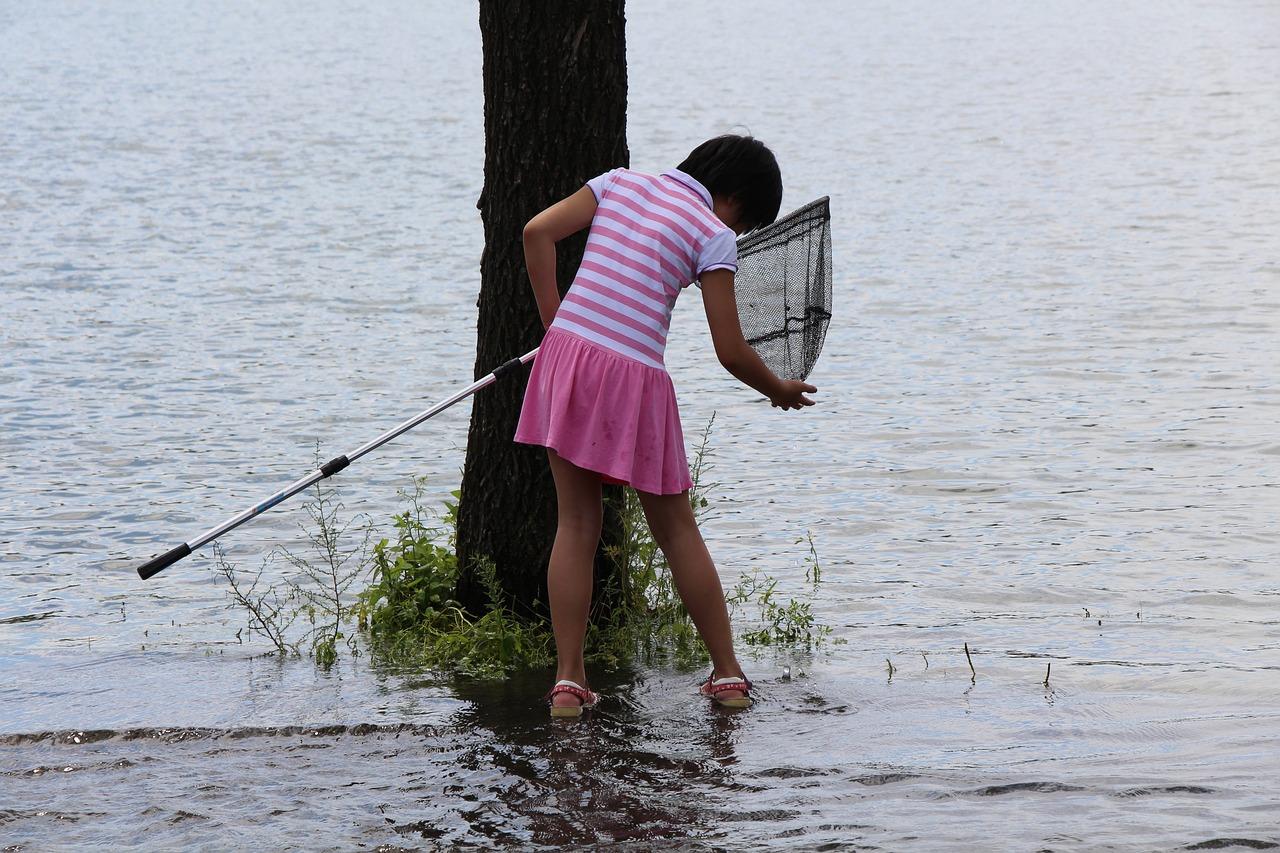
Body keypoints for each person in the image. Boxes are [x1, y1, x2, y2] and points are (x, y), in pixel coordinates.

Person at [514, 134, 817, 718]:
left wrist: (557, 326)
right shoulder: (713, 234)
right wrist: (777, 388)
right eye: (745, 218)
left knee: (576, 522)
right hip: (637, 379)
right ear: (732, 197)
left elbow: (536, 232)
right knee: (677, 530)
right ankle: (727, 676)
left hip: (567, 360)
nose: (738, 228)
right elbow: (729, 351)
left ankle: (568, 684)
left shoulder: (619, 183)